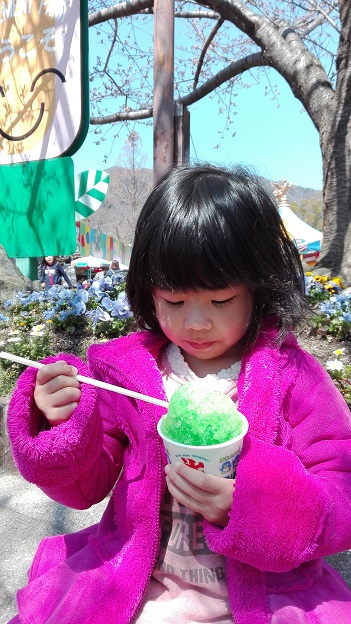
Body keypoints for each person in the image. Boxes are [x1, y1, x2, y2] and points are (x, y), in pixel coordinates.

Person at [7, 164, 351, 624]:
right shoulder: (128, 375)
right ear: (149, 292)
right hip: (139, 585)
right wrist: (59, 422)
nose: (195, 323)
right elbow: (84, 487)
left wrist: (250, 502)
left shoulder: (294, 378)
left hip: (266, 597)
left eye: (220, 301)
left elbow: (341, 490)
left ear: (259, 288)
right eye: (173, 300)